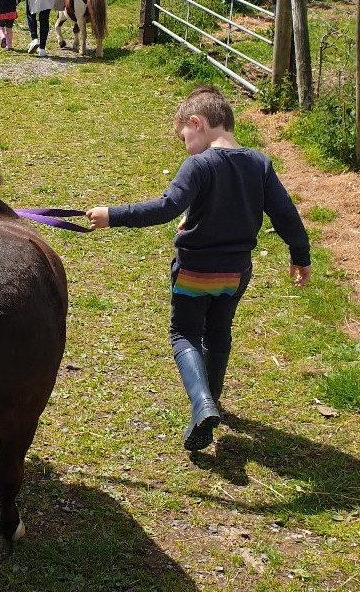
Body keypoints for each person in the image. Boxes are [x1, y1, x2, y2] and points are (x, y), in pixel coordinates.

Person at [86, 86, 311, 452]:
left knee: (184, 334)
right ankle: (213, 399)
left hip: (195, 270)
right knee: (219, 328)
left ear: (198, 122)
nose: (185, 144)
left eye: (184, 136)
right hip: (235, 273)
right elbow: (285, 213)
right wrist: (300, 254)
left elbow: (166, 207)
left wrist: (113, 216)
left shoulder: (200, 164)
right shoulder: (259, 164)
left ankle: (202, 402)